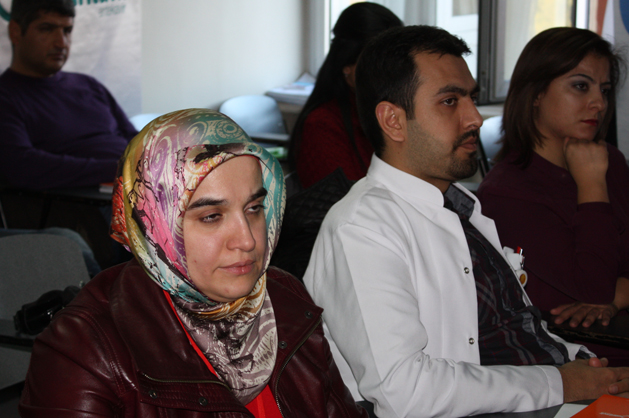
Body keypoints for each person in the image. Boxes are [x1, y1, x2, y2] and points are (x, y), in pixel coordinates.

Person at [302, 25, 629, 417]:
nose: (475, 118)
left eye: (471, 98)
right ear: (393, 121)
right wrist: (563, 382)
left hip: (552, 389)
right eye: (449, 101)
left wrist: (584, 371)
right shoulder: (362, 228)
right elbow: (404, 392)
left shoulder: (459, 206)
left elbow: (523, 330)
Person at [19, 109, 368, 417]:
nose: (247, 240)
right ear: (154, 224)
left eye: (254, 208)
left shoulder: (282, 294)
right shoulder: (84, 352)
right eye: (211, 216)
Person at [476, 28, 629, 365]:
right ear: (536, 93)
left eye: (604, 90)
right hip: (583, 364)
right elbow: (595, 290)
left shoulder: (610, 160)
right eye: (581, 86)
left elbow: (604, 295)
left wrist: (618, 298)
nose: (599, 103)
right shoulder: (507, 193)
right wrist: (592, 188)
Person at [0, 0, 138, 190]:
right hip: (84, 199)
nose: (61, 43)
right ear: (15, 32)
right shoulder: (6, 97)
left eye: (67, 31)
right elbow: (22, 166)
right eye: (46, 29)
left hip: (140, 185)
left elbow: (135, 138)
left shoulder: (89, 85)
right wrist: (120, 169)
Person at [288, 2, 402, 189]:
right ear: (347, 65)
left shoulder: (387, 110)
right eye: (378, 63)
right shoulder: (322, 125)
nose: (390, 73)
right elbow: (346, 200)